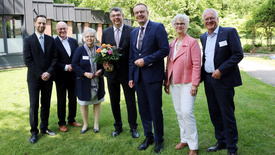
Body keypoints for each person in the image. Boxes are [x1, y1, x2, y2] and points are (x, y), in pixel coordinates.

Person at [200, 8, 243, 155]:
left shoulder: (229, 32)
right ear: (204, 21)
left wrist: (221, 70)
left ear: (217, 19)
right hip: (208, 79)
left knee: (227, 114)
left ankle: (232, 148)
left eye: (212, 18)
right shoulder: (203, 37)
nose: (209, 21)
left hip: (224, 80)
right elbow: (205, 58)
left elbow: (238, 54)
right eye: (206, 19)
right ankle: (221, 141)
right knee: (214, 113)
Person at [129, 3, 169, 154]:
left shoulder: (158, 27)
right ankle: (148, 136)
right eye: (136, 13)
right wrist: (131, 76)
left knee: (154, 109)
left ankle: (159, 139)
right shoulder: (134, 33)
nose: (139, 14)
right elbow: (132, 57)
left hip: (153, 76)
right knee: (143, 109)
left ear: (147, 12)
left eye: (141, 12)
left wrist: (146, 60)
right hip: (138, 77)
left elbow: (165, 49)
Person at [164, 14, 201, 155]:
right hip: (174, 82)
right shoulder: (172, 44)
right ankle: (184, 139)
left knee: (187, 112)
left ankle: (193, 145)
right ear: (174, 26)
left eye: (182, 23)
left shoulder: (192, 42)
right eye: (177, 23)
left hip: (188, 83)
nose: (179, 26)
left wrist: (195, 84)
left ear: (187, 25)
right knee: (179, 113)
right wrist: (167, 81)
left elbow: (197, 65)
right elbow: (169, 64)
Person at [101, 7, 139, 138]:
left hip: (127, 73)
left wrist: (133, 72)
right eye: (113, 15)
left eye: (118, 15)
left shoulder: (132, 31)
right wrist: (104, 63)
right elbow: (103, 51)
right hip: (111, 73)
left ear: (122, 16)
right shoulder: (106, 32)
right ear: (110, 18)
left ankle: (133, 127)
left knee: (130, 101)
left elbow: (134, 52)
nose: (116, 17)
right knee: (114, 100)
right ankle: (118, 126)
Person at [23, 14, 58, 143]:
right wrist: (40, 74)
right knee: (34, 105)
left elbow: (55, 58)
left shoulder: (51, 40)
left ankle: (44, 127)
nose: (42, 25)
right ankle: (34, 132)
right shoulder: (28, 40)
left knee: (46, 104)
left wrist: (48, 73)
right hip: (34, 78)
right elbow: (28, 60)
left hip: (48, 78)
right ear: (35, 23)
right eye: (39, 23)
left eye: (44, 23)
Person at [71, 28, 105, 134]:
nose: (89, 38)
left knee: (97, 102)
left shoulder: (99, 50)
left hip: (97, 82)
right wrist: (85, 73)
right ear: (84, 38)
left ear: (95, 37)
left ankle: (96, 123)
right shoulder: (79, 50)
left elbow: (104, 65)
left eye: (91, 36)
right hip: (84, 82)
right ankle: (85, 124)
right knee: (84, 103)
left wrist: (101, 70)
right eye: (87, 37)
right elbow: (74, 65)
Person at [54, 21, 82, 132]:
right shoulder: (53, 42)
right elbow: (53, 60)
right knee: (61, 99)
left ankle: (71, 119)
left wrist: (74, 67)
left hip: (73, 75)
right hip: (60, 75)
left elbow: (77, 56)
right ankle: (61, 123)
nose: (62, 31)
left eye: (64, 28)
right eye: (60, 29)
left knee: (72, 98)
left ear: (67, 29)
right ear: (56, 30)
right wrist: (65, 67)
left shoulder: (73, 41)